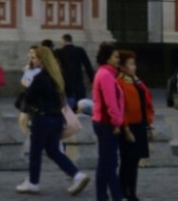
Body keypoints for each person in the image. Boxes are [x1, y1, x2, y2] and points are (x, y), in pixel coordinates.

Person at [13, 43, 85, 194]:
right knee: (53, 151)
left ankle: (33, 182)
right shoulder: (56, 77)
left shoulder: (39, 78)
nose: (33, 61)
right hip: (57, 119)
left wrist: (25, 91)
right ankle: (77, 175)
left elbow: (28, 97)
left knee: (35, 151)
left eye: (35, 58)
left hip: (42, 119)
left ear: (42, 59)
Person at [89, 43, 127, 201]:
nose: (118, 60)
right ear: (107, 58)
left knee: (104, 162)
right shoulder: (105, 75)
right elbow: (110, 102)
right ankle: (116, 196)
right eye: (116, 57)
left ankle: (102, 196)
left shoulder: (106, 73)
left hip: (103, 121)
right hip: (106, 123)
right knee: (111, 163)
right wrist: (117, 122)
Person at [117, 52, 153, 201]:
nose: (134, 67)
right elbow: (121, 107)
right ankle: (123, 191)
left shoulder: (135, 81)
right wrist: (126, 129)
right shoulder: (119, 83)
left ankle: (131, 191)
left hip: (140, 124)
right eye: (131, 64)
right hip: (129, 126)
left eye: (134, 64)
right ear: (122, 67)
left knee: (135, 160)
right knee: (127, 160)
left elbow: (147, 98)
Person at [56, 35, 93, 112]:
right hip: (78, 83)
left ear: (63, 41)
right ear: (71, 40)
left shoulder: (59, 52)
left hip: (66, 83)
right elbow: (88, 66)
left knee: (67, 109)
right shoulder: (80, 50)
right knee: (81, 107)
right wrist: (92, 80)